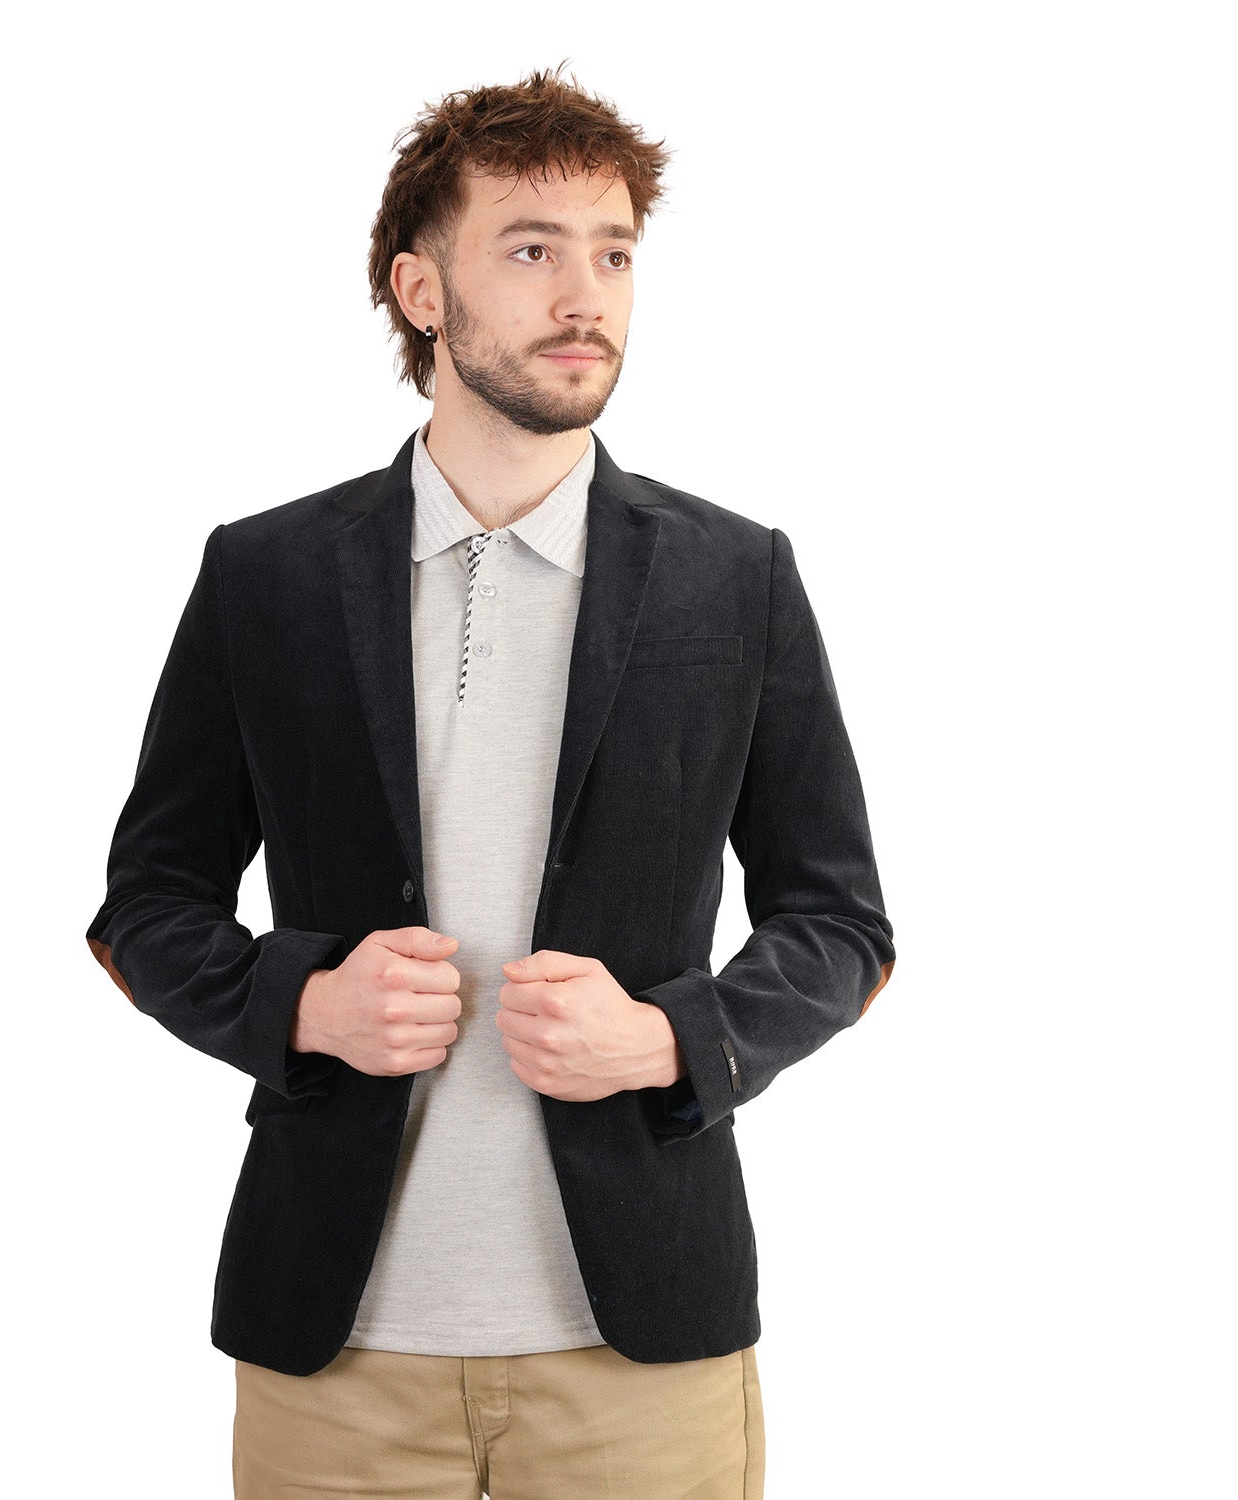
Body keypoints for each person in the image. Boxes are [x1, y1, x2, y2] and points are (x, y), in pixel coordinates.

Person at [85, 62, 896, 1500]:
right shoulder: (266, 576)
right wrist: (305, 1006)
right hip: (336, 1356)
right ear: (421, 289)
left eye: (614, 254)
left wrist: (669, 1041)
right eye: (530, 250)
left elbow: (844, 929)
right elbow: (144, 910)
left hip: (641, 1352)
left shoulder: (736, 579)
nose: (585, 296)